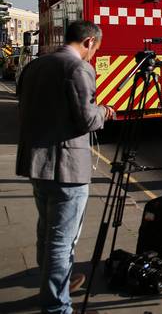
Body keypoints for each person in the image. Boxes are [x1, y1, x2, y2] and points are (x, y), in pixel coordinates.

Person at [16, 20, 115, 314]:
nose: (93, 56)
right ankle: (58, 306)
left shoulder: (34, 67)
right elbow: (86, 119)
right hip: (66, 169)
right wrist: (105, 111)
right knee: (62, 241)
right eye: (94, 49)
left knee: (46, 232)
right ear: (88, 41)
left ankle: (55, 284)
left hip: (37, 164)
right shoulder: (78, 69)